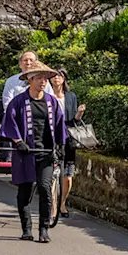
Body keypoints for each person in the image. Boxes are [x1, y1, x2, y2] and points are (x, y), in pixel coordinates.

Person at [0, 63, 66, 244]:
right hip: (25, 153)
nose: (43, 82)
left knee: (45, 189)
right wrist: (18, 141)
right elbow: (9, 123)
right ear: (30, 80)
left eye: (45, 78)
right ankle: (26, 229)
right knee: (24, 192)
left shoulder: (52, 102)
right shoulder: (18, 101)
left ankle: (44, 229)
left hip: (45, 153)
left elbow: (60, 125)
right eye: (39, 78)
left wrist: (60, 145)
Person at [50, 67, 85, 219]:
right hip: (51, 138)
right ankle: (53, 206)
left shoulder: (71, 96)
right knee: (52, 175)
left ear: (64, 79)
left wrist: (79, 113)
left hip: (68, 138)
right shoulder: (46, 95)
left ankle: (63, 203)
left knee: (68, 176)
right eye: (54, 76)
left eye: (60, 76)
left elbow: (74, 120)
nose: (56, 78)